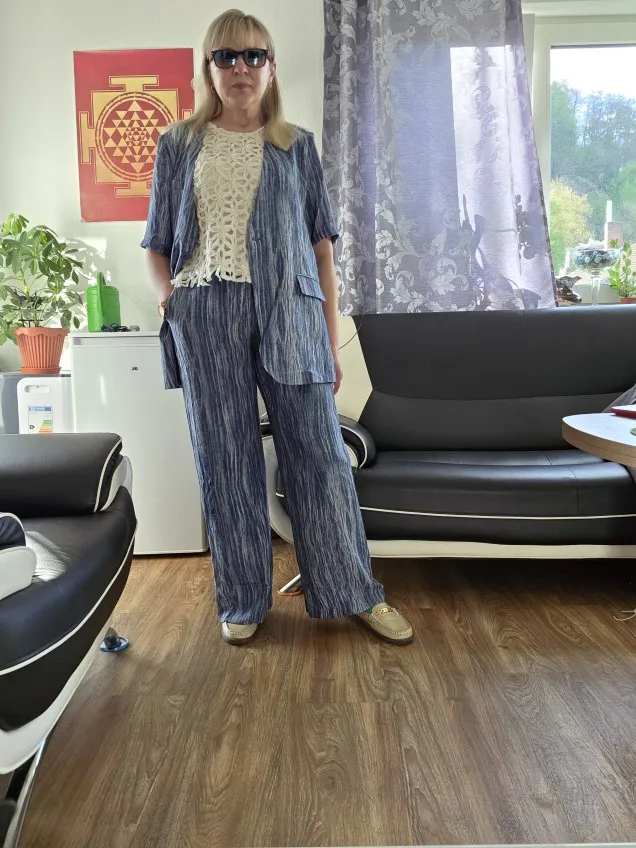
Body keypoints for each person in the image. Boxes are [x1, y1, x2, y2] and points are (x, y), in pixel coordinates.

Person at [141, 8, 413, 646]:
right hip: (205, 311)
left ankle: (354, 591)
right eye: (226, 56)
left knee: (320, 453)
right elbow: (156, 244)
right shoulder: (178, 144)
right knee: (225, 455)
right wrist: (170, 302)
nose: (240, 67)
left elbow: (322, 251)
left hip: (291, 311)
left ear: (270, 66)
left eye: (253, 55)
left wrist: (328, 337)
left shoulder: (297, 146)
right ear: (209, 68)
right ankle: (242, 599)